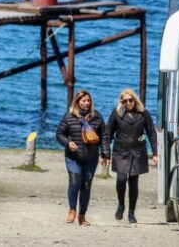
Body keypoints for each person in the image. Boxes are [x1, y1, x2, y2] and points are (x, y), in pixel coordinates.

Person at [56, 90, 110, 226]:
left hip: (91, 158)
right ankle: (72, 210)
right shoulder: (69, 116)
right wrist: (68, 143)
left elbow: (104, 136)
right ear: (77, 101)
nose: (86, 103)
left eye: (88, 101)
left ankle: (82, 216)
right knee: (75, 181)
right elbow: (59, 134)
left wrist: (105, 154)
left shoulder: (96, 117)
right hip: (73, 157)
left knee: (86, 185)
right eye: (83, 100)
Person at [107, 88, 158, 224]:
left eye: (131, 100)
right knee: (121, 179)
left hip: (138, 152)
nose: (128, 103)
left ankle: (131, 213)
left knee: (134, 183)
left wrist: (155, 154)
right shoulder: (116, 114)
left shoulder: (143, 114)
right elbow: (108, 134)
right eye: (125, 101)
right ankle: (121, 205)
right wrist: (105, 153)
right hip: (120, 152)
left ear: (135, 100)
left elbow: (151, 134)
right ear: (121, 102)